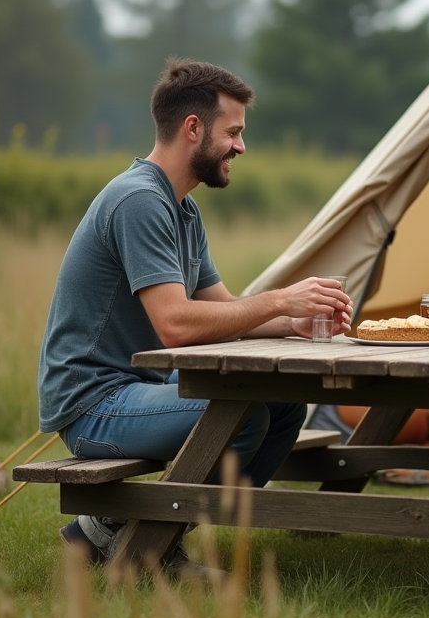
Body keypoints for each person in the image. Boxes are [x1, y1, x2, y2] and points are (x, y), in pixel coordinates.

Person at [38, 59, 352, 576]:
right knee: (241, 416)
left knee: (288, 401)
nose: (241, 146)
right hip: (94, 403)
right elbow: (177, 325)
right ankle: (142, 547)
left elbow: (223, 313)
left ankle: (120, 532)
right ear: (193, 128)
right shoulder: (139, 200)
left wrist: (296, 318)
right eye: (233, 132)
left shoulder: (181, 208)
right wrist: (278, 300)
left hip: (140, 395)